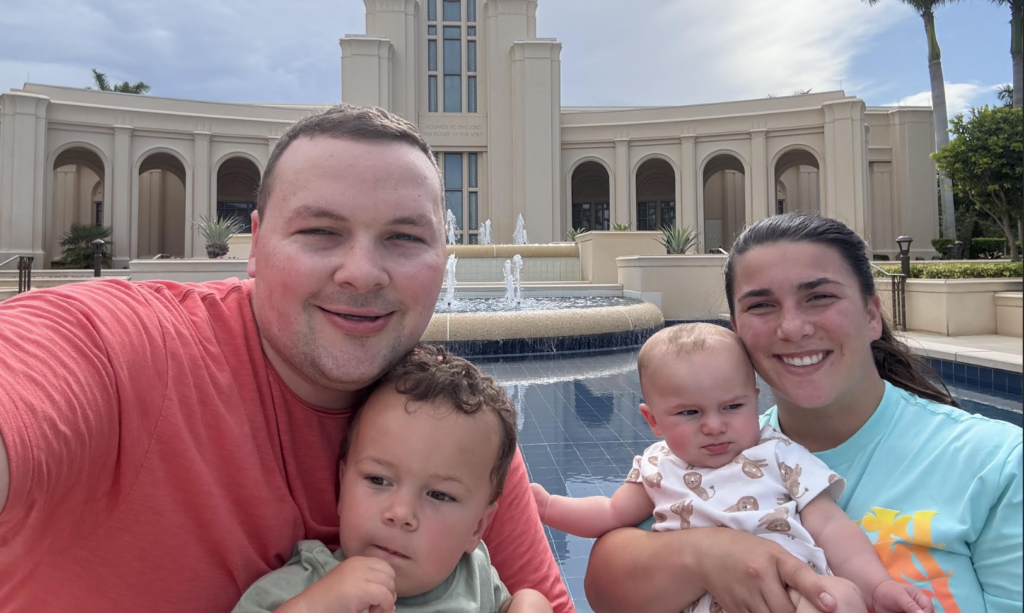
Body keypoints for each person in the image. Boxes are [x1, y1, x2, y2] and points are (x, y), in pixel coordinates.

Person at [0, 105, 573, 613]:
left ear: (443, 259)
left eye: (404, 238)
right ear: (256, 242)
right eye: (321, 230)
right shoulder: (120, 345)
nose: (362, 272)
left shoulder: (449, 425)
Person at [584, 214, 1022, 613]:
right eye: (761, 305)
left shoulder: (998, 464)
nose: (792, 328)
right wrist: (707, 553)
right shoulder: (704, 453)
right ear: (735, 332)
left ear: (873, 314)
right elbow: (604, 587)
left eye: (819, 297)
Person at [533, 323, 931, 613]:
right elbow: (608, 514)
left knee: (843, 597)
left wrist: (877, 587)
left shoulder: (778, 452)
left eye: (733, 407)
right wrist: (547, 506)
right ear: (652, 420)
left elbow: (830, 525)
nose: (714, 425)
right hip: (700, 601)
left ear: (755, 401)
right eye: (689, 412)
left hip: (795, 594)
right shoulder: (656, 466)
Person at [235, 348, 553, 613]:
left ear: (477, 529)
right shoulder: (311, 582)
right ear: (342, 489)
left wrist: (530, 603)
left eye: (440, 495)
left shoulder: (475, 579)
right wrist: (313, 607)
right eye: (378, 479)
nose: (400, 513)